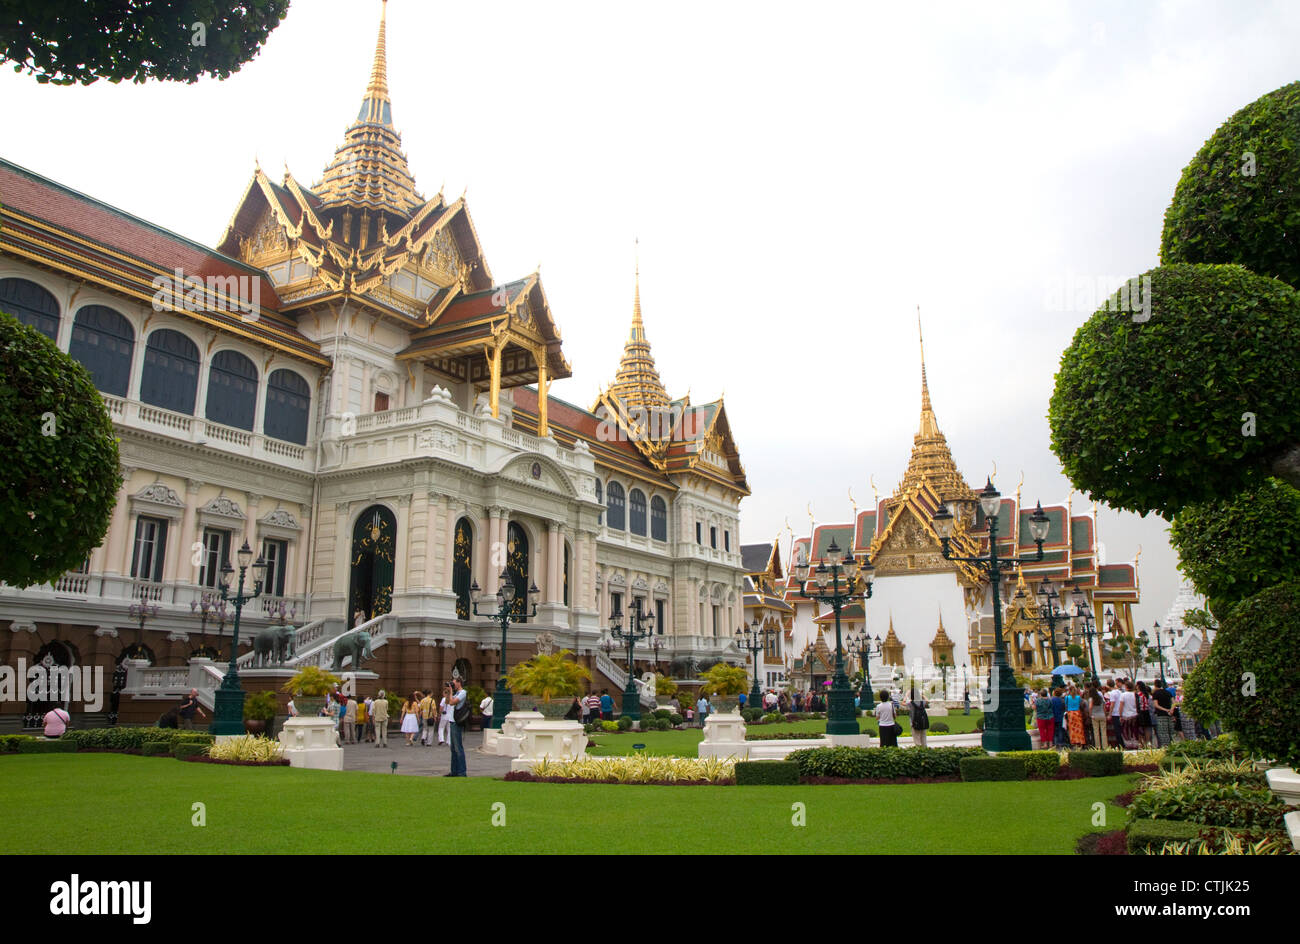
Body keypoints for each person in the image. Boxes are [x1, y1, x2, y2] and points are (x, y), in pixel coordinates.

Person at [447, 677, 468, 776]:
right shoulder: (455, 693)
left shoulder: (463, 693)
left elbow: (452, 702)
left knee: (458, 747)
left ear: (459, 683)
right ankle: (454, 771)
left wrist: (451, 692)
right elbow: (448, 701)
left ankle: (462, 771)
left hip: (457, 722)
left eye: (454, 683)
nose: (453, 685)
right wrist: (448, 691)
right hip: (451, 721)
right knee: (453, 748)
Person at [1152, 679, 1175, 746]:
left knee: (1163, 732)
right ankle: (1172, 744)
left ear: (1155, 685)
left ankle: (1165, 746)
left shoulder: (1155, 693)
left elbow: (1156, 705)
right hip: (1169, 714)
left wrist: (1165, 710)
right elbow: (1174, 703)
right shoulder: (1168, 692)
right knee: (1170, 731)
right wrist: (1171, 710)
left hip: (1160, 714)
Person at [1087, 683, 1108, 749]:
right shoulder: (1100, 698)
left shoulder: (1091, 699)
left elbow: (1090, 707)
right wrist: (1105, 714)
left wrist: (1090, 715)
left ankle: (1098, 746)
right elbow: (1104, 707)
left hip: (1095, 715)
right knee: (1103, 731)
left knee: (1096, 732)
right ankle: (1105, 746)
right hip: (1102, 715)